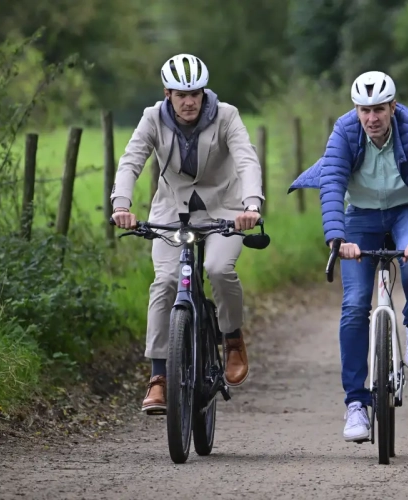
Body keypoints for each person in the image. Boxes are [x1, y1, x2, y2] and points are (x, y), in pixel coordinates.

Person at [288, 71, 408, 442]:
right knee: (355, 305)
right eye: (365, 110)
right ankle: (356, 403)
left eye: (380, 110)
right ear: (356, 110)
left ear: (393, 107)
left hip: (406, 210)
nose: (372, 118)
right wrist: (338, 238)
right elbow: (333, 183)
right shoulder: (344, 131)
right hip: (361, 217)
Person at [110, 54, 264, 413]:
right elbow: (132, 160)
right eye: (181, 94)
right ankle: (159, 377)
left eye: (195, 92)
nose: (189, 100)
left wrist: (252, 206)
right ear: (167, 93)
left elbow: (246, 160)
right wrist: (121, 205)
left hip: (227, 210)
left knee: (218, 268)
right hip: (171, 211)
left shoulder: (227, 115)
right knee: (164, 283)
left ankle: (232, 338)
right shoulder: (153, 118)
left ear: (204, 91)